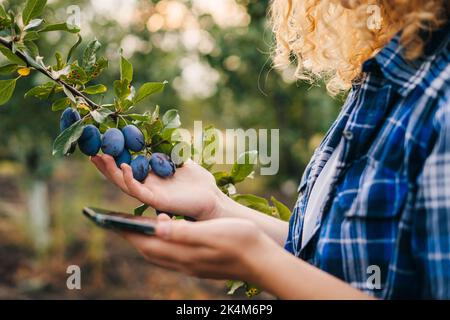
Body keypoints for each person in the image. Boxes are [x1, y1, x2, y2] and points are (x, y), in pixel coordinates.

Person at [91, 0, 450, 299]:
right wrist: (216, 207)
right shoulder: (382, 75)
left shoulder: (442, 102)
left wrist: (257, 261)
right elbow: (320, 258)